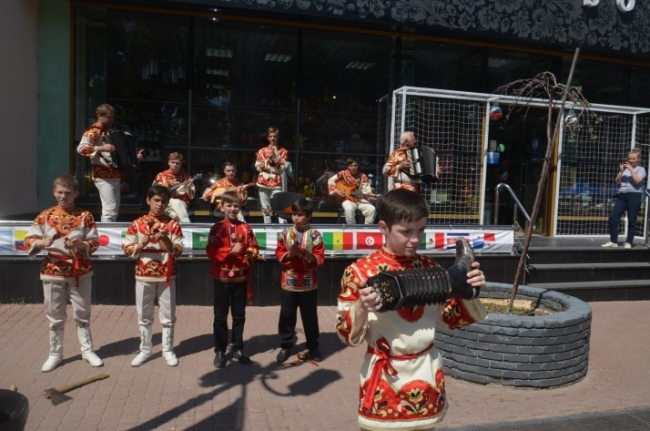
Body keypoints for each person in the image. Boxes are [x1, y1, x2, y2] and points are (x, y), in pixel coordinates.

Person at [335, 188, 487, 431]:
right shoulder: (360, 272)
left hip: (426, 370)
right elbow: (346, 336)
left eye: (421, 230)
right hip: (385, 376)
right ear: (383, 227)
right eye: (406, 232)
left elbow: (448, 320)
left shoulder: (430, 266)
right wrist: (361, 308)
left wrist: (468, 290)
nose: (415, 239)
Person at [24, 174, 103, 372]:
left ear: (76, 193)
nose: (63, 196)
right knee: (55, 314)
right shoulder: (46, 215)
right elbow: (28, 239)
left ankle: (87, 351)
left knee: (82, 313)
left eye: (67, 193)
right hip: (53, 270)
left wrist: (81, 244)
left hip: (80, 271)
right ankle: (55, 354)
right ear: (54, 192)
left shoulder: (85, 216)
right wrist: (40, 243)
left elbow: (94, 243)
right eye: (59, 192)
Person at [122, 185, 184, 367]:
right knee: (144, 314)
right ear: (148, 200)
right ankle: (145, 349)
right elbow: (126, 248)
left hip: (166, 275)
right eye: (156, 200)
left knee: (168, 315)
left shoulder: (173, 224)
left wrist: (165, 239)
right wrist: (141, 245)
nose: (160, 204)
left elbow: (178, 251)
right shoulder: (137, 223)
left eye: (164, 201)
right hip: (144, 275)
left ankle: (168, 349)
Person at [206, 190, 260, 368]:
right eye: (229, 205)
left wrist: (251, 254)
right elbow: (211, 252)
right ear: (222, 207)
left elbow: (254, 246)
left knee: (239, 316)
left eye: (236, 205)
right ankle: (220, 350)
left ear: (240, 207)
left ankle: (238, 348)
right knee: (220, 317)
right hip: (221, 279)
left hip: (241, 278)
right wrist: (229, 251)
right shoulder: (216, 228)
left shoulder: (246, 228)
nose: (232, 208)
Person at [275, 198, 326, 364]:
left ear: (309, 216)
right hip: (289, 281)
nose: (296, 218)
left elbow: (320, 257)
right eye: (294, 214)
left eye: (300, 215)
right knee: (287, 315)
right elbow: (279, 254)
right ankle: (286, 346)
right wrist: (290, 254)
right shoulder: (284, 234)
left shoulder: (315, 235)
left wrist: (307, 255)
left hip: (308, 283)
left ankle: (313, 347)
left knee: (310, 317)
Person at [76, 104, 142, 222]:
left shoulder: (113, 131)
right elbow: (81, 149)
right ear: (99, 116)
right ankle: (106, 235)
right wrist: (101, 148)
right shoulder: (93, 131)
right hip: (103, 175)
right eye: (108, 117)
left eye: (112, 117)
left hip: (116, 175)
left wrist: (134, 157)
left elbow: (120, 154)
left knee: (113, 209)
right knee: (110, 209)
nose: (111, 120)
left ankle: (107, 233)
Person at [602, 148, 647, 249]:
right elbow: (617, 181)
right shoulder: (625, 169)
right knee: (613, 218)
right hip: (622, 195)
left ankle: (629, 242)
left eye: (633, 159)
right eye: (629, 158)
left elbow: (637, 181)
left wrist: (631, 169)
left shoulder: (641, 169)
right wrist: (621, 171)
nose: (631, 160)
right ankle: (613, 240)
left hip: (634, 196)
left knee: (632, 219)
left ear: (638, 159)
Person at [255, 127, 288, 223]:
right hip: (264, 180)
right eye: (270, 136)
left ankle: (282, 226)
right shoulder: (262, 151)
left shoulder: (283, 151)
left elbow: (283, 167)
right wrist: (267, 161)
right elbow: (257, 166)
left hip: (276, 181)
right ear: (268, 138)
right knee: (266, 207)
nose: (272, 138)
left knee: (280, 205)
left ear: (278, 137)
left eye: (274, 136)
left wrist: (277, 154)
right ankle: (267, 225)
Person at [328, 158, 377, 224]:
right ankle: (352, 228)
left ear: (358, 166)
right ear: (348, 167)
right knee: (349, 209)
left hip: (360, 199)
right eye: (351, 166)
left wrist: (369, 197)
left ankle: (366, 229)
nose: (353, 168)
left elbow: (366, 189)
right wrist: (336, 191)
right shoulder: (343, 173)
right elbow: (330, 180)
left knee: (372, 209)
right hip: (347, 199)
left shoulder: (362, 176)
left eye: (355, 165)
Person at [153, 152, 196, 223]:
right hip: (164, 202)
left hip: (181, 203)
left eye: (177, 163)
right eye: (173, 162)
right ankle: (186, 224)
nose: (175, 165)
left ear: (180, 164)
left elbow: (191, 196)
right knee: (173, 205)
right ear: (168, 163)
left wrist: (188, 187)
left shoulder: (186, 176)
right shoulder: (161, 175)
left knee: (177, 203)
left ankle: (184, 222)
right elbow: (153, 191)